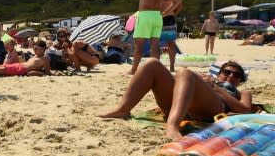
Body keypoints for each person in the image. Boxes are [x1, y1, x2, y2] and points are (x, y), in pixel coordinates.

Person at [97, 59, 252, 140]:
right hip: (183, 106)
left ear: (241, 80)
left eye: (237, 75)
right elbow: (181, 85)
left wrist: (218, 89)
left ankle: (172, 126)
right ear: (219, 73)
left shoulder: (243, 92)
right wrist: (201, 80)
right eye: (227, 72)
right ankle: (123, 109)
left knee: (185, 72)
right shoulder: (209, 79)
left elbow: (245, 109)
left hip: (213, 109)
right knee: (152, 63)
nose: (231, 76)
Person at [101, 0, 169, 74]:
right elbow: (177, 0)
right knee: (155, 45)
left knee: (139, 45)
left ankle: (133, 70)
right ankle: (156, 70)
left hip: (145, 15)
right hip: (158, 16)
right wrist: (168, 11)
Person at [157, 0, 183, 72]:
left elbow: (179, 3)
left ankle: (172, 66)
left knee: (170, 43)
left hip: (168, 19)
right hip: (157, 18)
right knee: (155, 42)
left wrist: (174, 14)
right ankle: (157, 65)